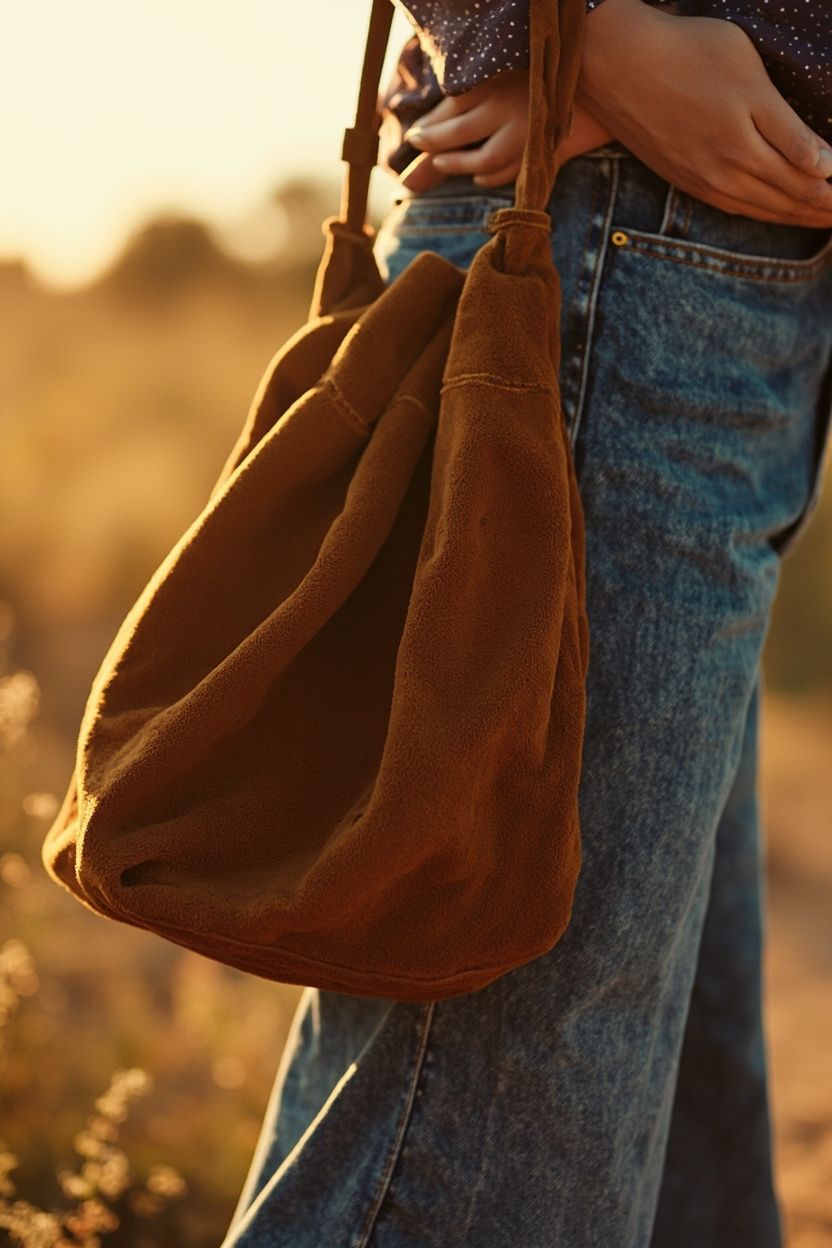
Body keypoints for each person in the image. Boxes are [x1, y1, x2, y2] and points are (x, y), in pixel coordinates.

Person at [222, 2, 832, 1244]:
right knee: (479, 1133)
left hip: (716, 258)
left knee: (653, 1126)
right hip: (605, 227)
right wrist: (563, 32)